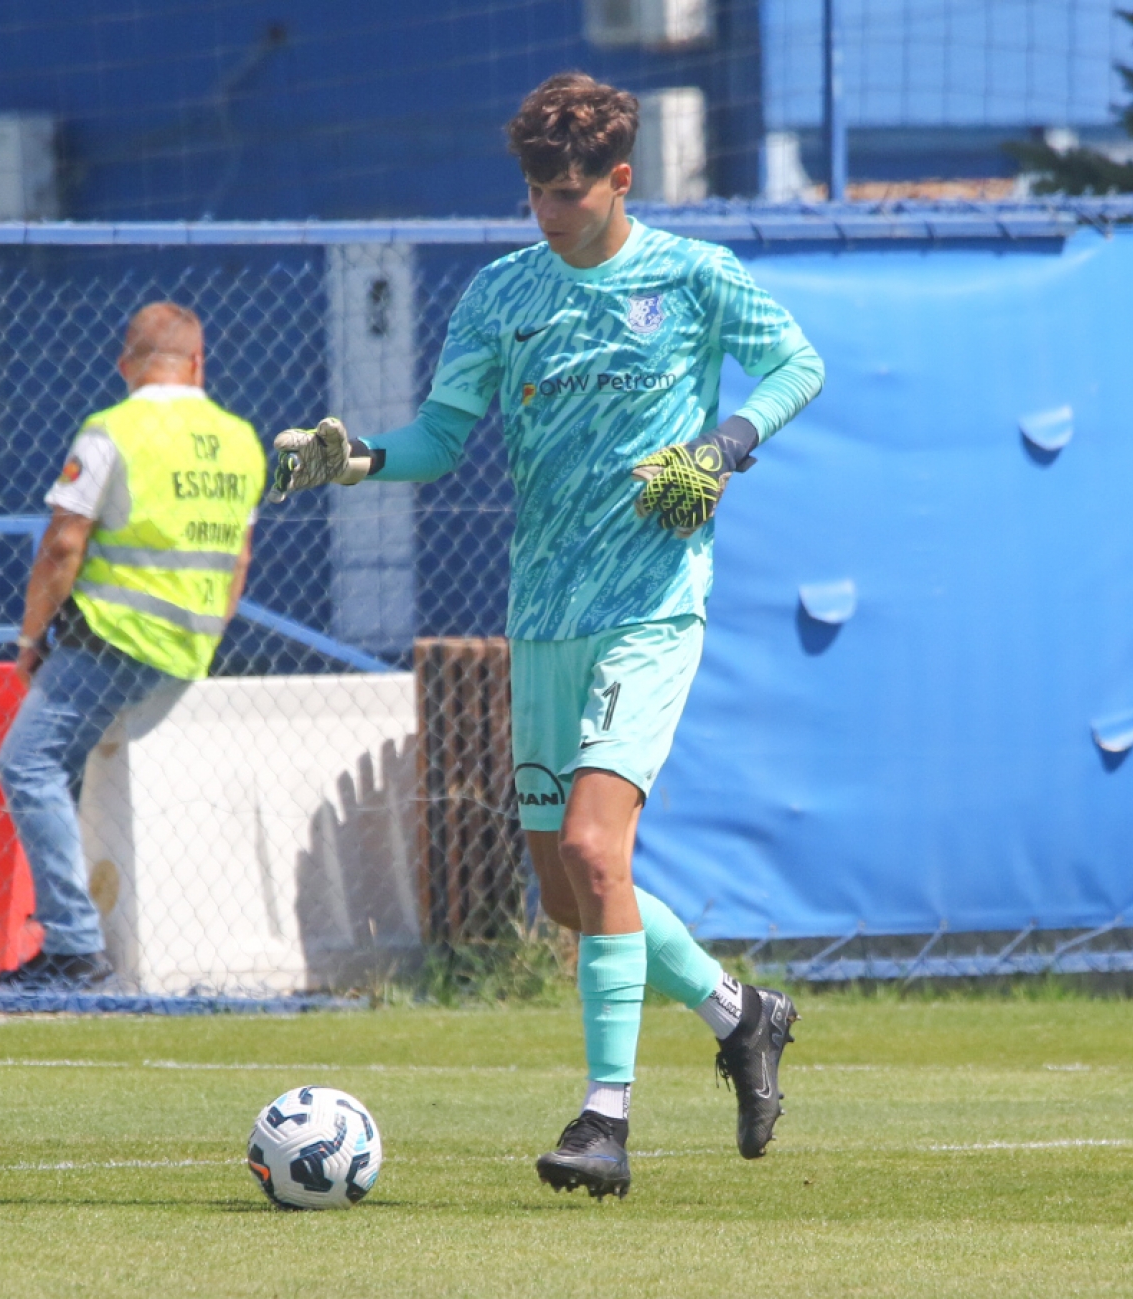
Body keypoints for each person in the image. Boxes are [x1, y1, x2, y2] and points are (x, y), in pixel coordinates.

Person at [271, 73, 825, 1197]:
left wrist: (723, 446)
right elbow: (441, 436)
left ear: (620, 178)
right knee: (572, 894)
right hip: (542, 618)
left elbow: (798, 364)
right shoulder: (502, 293)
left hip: (651, 605)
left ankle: (604, 1122)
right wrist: (360, 458)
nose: (551, 211)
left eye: (570, 193)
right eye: (536, 192)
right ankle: (742, 1014)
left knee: (593, 850)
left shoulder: (692, 275)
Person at [0, 303, 265, 990]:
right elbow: (239, 558)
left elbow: (63, 545)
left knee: (28, 764)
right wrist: (204, 634)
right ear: (198, 363)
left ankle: (72, 946)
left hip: (114, 638)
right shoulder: (241, 440)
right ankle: (77, 936)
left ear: (126, 366)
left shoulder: (110, 430)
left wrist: (30, 637)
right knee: (63, 763)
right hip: (190, 647)